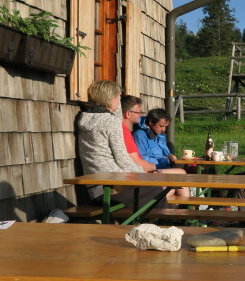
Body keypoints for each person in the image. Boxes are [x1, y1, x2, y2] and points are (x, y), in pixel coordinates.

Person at [76, 80, 165, 208]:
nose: (119, 102)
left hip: (94, 186)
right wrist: (143, 174)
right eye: (118, 97)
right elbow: (122, 159)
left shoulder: (85, 118)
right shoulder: (111, 122)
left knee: (153, 191)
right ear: (112, 98)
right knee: (156, 190)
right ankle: (161, 225)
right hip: (111, 188)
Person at [121, 96, 190, 198]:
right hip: (152, 172)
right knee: (181, 176)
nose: (164, 129)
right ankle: (190, 208)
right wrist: (162, 161)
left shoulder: (160, 136)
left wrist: (169, 157)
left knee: (180, 184)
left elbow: (164, 153)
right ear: (151, 123)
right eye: (161, 126)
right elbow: (142, 158)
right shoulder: (140, 135)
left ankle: (184, 209)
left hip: (164, 170)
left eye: (165, 126)